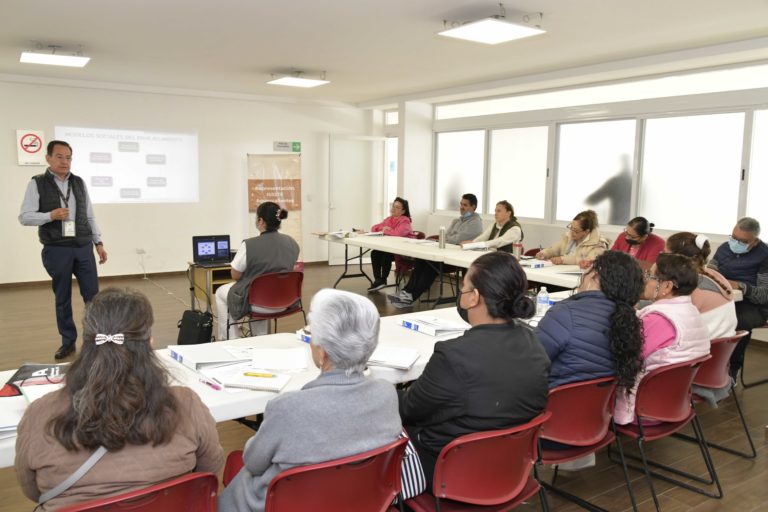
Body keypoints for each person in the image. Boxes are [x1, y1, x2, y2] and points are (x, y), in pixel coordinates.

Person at [15, 288, 224, 511]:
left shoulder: (40, 413)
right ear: (150, 343)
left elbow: (33, 490)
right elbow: (209, 470)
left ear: (85, 345)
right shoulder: (186, 404)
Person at [218, 289, 402, 512]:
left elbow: (254, 462)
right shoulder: (386, 394)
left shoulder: (288, 407)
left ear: (322, 353)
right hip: (357, 500)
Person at [398, 252, 549, 485]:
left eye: (464, 286)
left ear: (474, 297)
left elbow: (409, 411)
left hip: (450, 472)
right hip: (511, 468)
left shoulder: (453, 356)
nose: (462, 292)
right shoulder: (534, 343)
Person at [18, 140, 108, 360]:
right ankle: (68, 342)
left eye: (68, 157)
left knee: (93, 297)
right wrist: (50, 215)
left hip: (83, 246)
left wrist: (98, 242)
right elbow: (24, 217)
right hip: (56, 249)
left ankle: (95, 340)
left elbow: (89, 215)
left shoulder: (78, 182)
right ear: (48, 158)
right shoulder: (37, 183)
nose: (65, 161)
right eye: (59, 156)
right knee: (62, 297)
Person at [614, 254, 710, 424]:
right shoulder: (690, 312)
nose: (644, 279)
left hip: (644, 408)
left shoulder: (659, 320)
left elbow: (624, 359)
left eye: (650, 276)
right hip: (672, 404)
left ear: (666, 286)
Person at [535, 251, 644, 390]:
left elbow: (531, 363)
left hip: (554, 404)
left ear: (594, 276)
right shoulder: (630, 320)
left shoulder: (565, 314)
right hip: (598, 408)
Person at [215, 202, 300, 340]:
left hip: (259, 303)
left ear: (260, 221)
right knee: (261, 289)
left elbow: (235, 275)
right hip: (286, 301)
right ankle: (260, 338)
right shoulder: (292, 242)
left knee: (220, 292)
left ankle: (231, 340)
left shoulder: (248, 245)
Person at [388, 193, 483, 307]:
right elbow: (446, 236)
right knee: (421, 258)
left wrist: (448, 238)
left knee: (431, 264)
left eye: (465, 205)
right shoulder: (457, 220)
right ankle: (406, 292)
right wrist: (448, 238)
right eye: (461, 204)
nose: (462, 207)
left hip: (456, 257)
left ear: (473, 207)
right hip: (447, 251)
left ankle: (411, 296)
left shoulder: (476, 223)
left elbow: (456, 239)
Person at [708, 217, 768, 378]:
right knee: (701, 313)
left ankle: (731, 370)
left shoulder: (764, 255)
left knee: (737, 321)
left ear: (754, 242)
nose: (735, 243)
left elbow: (764, 294)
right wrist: (711, 274)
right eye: (733, 238)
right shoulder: (725, 248)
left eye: (742, 241)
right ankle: (705, 367)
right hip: (725, 297)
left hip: (753, 305)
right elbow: (711, 268)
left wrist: (741, 286)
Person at [667, 232, 736, 340]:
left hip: (701, 348)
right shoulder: (714, 275)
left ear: (679, 258)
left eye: (666, 254)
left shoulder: (691, 285)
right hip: (720, 349)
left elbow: (670, 320)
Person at [367, 197, 413, 292]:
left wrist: (386, 230)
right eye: (393, 206)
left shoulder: (405, 221)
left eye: (397, 207)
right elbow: (374, 228)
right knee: (375, 253)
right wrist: (384, 229)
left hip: (405, 251)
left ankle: (383, 280)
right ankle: (378, 280)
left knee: (386, 254)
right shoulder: (389, 219)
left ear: (403, 211)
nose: (393, 209)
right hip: (392, 249)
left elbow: (397, 233)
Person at [535, 210, 610, 266]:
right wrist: (544, 253)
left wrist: (563, 259)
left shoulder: (599, 243)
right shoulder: (568, 236)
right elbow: (554, 250)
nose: (572, 232)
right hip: (559, 274)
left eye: (576, 230)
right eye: (571, 228)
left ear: (586, 231)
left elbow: (589, 261)